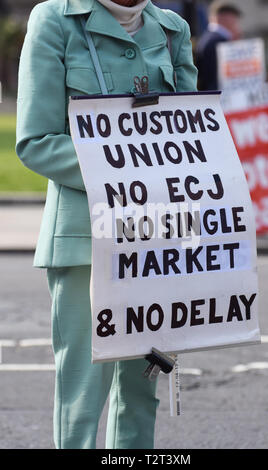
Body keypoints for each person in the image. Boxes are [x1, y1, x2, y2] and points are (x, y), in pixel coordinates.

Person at [16, 0, 198, 449]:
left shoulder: (173, 28)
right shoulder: (54, 19)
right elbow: (36, 141)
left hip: (158, 239)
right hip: (84, 240)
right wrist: (125, 170)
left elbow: (193, 133)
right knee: (82, 395)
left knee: (141, 389)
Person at [195, 0, 242, 91]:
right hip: (218, 98)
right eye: (235, 18)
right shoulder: (220, 42)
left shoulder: (208, 38)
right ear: (226, 18)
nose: (237, 23)